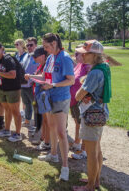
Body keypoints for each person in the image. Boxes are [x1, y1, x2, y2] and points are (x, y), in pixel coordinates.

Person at [28, 33, 74, 181]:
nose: (45, 49)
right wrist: (32, 76)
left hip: (61, 98)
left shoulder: (65, 58)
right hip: (49, 97)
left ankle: (65, 167)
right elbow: (45, 77)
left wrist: (53, 85)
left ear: (54, 43)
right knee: (52, 127)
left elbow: (71, 80)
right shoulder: (50, 58)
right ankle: (53, 155)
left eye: (47, 46)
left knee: (61, 132)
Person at [73, 40, 111, 191]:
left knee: (91, 153)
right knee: (97, 149)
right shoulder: (104, 67)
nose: (81, 55)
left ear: (93, 55)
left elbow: (78, 96)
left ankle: (90, 186)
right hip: (100, 112)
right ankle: (94, 180)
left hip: (92, 115)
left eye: (84, 52)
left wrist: (82, 86)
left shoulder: (95, 72)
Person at [0, 42, 22, 142]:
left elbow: (13, 75)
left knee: (15, 111)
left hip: (12, 89)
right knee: (7, 109)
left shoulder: (8, 59)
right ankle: (7, 130)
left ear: (2, 49)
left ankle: (18, 133)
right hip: (2, 88)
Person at [27, 46, 51, 150]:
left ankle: (47, 142)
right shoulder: (40, 66)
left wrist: (31, 77)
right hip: (39, 95)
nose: (34, 59)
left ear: (42, 56)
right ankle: (43, 139)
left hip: (44, 95)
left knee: (46, 120)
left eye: (35, 57)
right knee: (43, 120)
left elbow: (45, 79)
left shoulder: (46, 66)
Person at [70, 46, 91, 160]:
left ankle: (84, 150)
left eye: (77, 54)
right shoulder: (78, 65)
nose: (75, 56)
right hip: (74, 100)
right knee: (77, 122)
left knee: (83, 124)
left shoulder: (88, 67)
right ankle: (77, 143)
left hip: (81, 101)